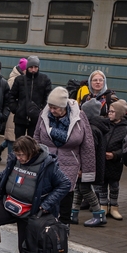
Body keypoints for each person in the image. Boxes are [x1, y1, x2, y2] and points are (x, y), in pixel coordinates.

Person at [33, 87, 96, 225]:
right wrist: (34, 159)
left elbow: (88, 144)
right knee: (46, 192)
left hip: (70, 163)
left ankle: (63, 227)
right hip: (47, 161)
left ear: (64, 107)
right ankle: (45, 224)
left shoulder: (79, 117)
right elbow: (36, 136)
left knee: (66, 194)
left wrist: (86, 170)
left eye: (55, 108)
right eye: (50, 107)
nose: (52, 110)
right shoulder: (44, 115)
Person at [75, 99, 108, 226]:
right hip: (94, 166)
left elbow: (88, 151)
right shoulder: (96, 126)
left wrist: (82, 168)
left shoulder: (92, 129)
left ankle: (98, 214)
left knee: (85, 188)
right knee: (79, 188)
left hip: (88, 167)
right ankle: (74, 213)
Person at [7, 55, 52, 138]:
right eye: (31, 67)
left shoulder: (45, 79)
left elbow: (48, 97)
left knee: (33, 144)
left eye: (35, 67)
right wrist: (16, 109)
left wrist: (42, 110)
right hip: (20, 118)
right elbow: (11, 96)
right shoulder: (19, 80)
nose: (33, 70)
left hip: (36, 118)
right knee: (19, 143)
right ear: (27, 67)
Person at [100, 99, 127, 220]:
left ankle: (113, 206)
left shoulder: (126, 128)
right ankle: (103, 205)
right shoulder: (104, 124)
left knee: (114, 185)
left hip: (115, 162)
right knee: (102, 184)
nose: (109, 113)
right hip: (103, 161)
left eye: (112, 112)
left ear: (119, 113)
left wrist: (115, 155)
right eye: (109, 111)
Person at [0, 58, 26, 161]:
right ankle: (10, 160)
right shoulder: (14, 80)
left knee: (12, 136)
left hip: (18, 111)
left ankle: (0, 149)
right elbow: (10, 96)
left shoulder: (21, 78)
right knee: (12, 136)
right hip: (13, 111)